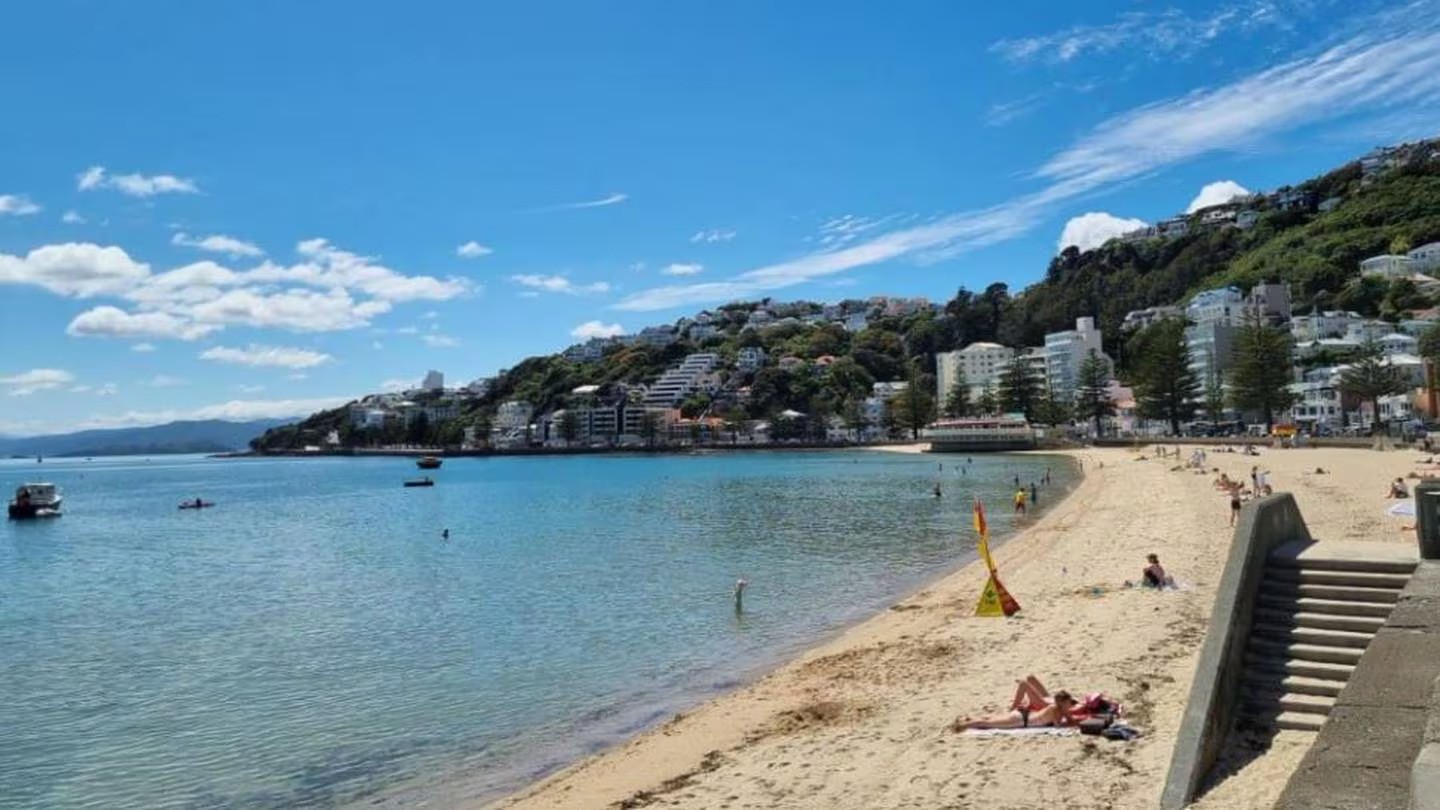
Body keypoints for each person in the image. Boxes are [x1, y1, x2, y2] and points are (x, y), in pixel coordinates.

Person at [951, 676, 1084, 731]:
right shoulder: (1054, 709)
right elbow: (1058, 726)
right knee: (989, 723)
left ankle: (970, 719)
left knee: (991, 719)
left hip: (1023, 714)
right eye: (1068, 702)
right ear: (1062, 703)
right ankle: (964, 725)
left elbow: (1070, 719)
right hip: (1021, 719)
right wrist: (1072, 725)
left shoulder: (1059, 708)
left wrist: (1074, 722)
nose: (1070, 704)